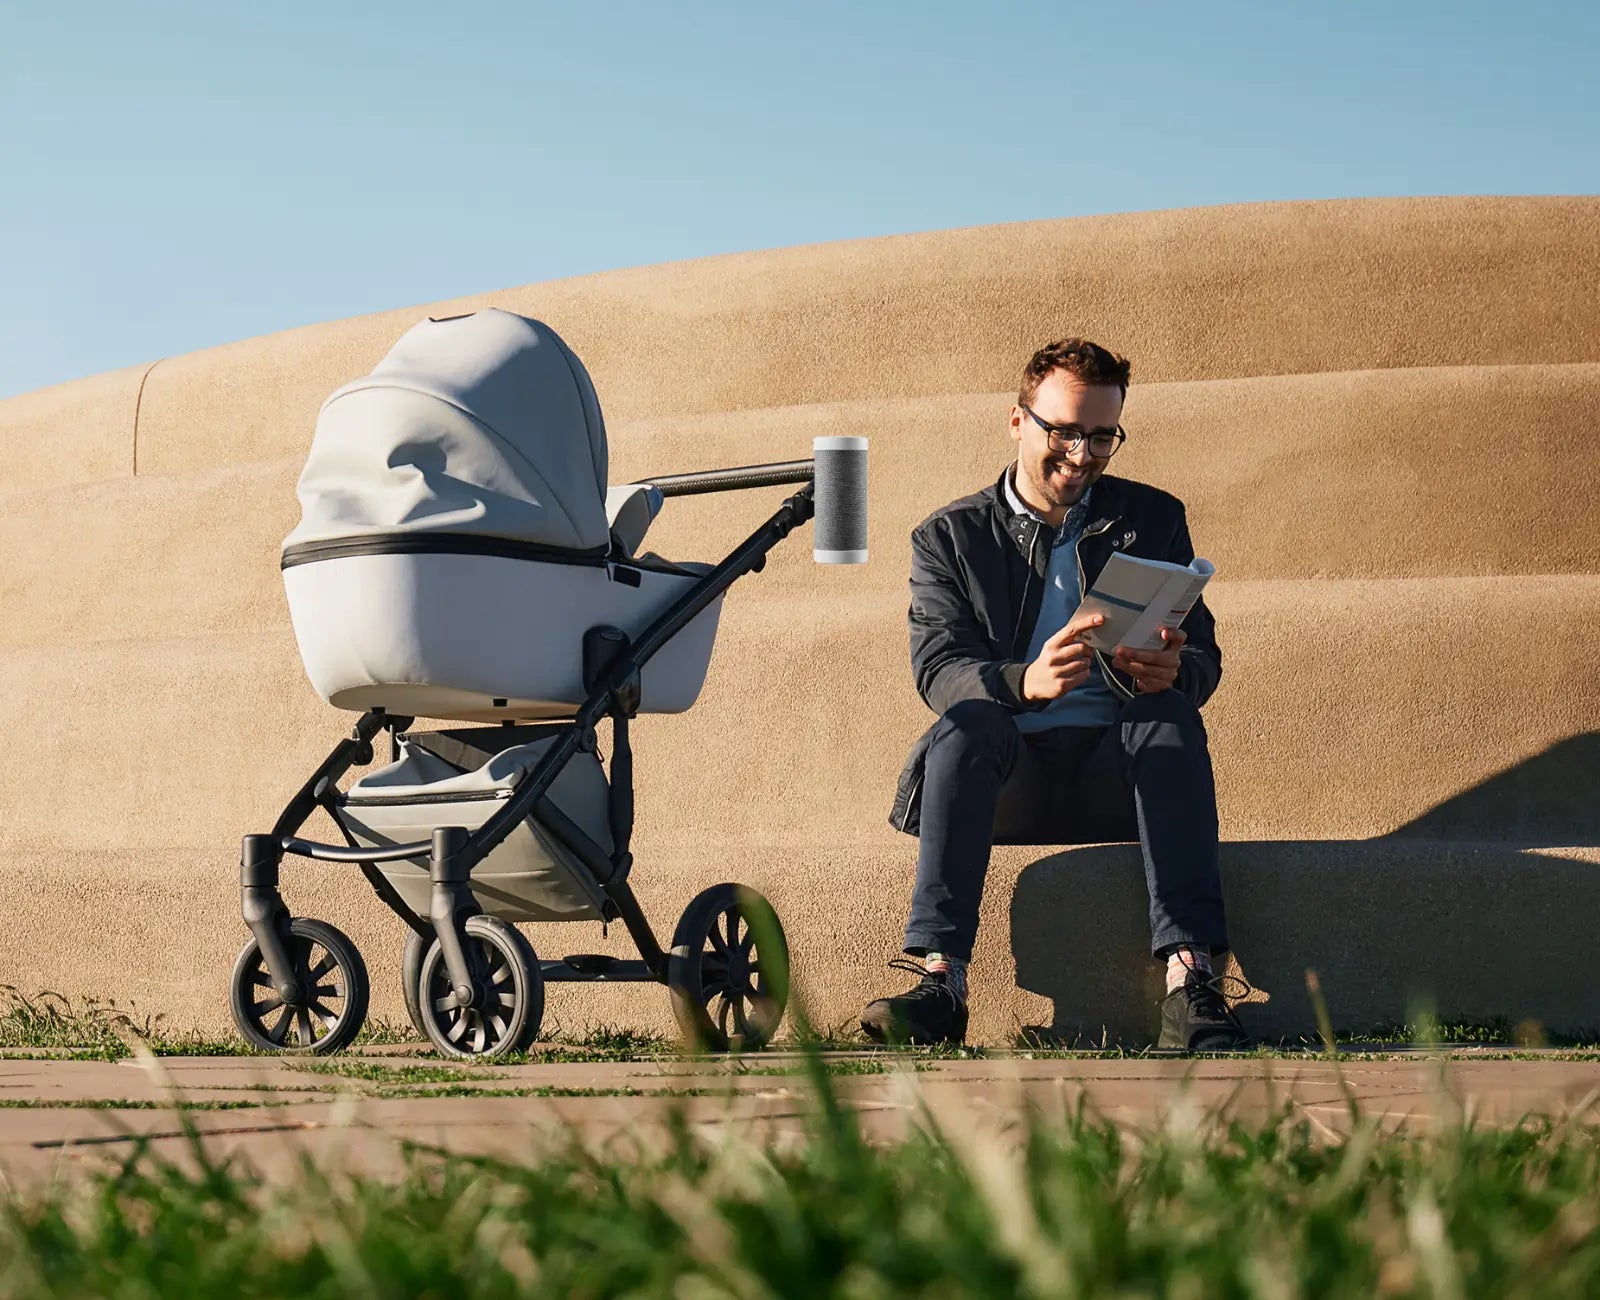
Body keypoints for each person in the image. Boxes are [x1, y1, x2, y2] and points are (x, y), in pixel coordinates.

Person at [867, 337, 1250, 1051]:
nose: (1082, 454)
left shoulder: (1153, 518)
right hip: (1006, 776)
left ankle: (1191, 982)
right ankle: (939, 979)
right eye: (1065, 431)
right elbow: (938, 665)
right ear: (1018, 422)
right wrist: (1023, 682)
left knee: (1167, 713)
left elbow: (1203, 653)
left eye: (1102, 435)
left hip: (1122, 772)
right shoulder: (948, 538)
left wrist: (1177, 670)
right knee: (966, 723)